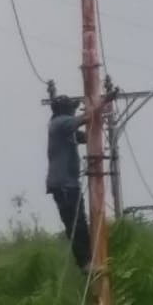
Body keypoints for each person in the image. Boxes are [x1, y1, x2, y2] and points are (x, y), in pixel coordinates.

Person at [46, 94, 91, 273]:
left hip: (68, 184)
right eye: (71, 108)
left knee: (79, 223)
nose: (73, 111)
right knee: (76, 224)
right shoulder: (59, 123)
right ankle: (86, 263)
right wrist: (101, 105)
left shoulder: (64, 129)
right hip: (64, 185)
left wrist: (97, 122)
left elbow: (86, 137)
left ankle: (87, 261)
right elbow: (82, 119)